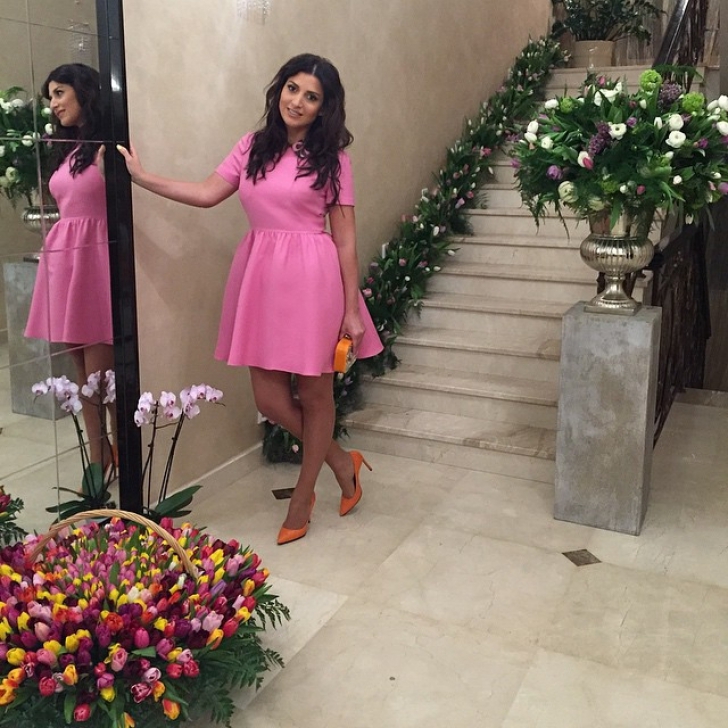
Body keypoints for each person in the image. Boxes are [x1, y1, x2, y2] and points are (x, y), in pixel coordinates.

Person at [118, 53, 383, 544]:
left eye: (311, 96)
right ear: (279, 89)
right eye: (292, 88)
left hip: (314, 279)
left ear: (324, 108)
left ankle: (304, 495)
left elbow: (346, 240)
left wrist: (351, 309)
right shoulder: (252, 146)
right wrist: (143, 178)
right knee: (269, 399)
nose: (297, 101)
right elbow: (206, 193)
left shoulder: (334, 161)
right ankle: (342, 462)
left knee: (315, 394)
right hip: (261, 277)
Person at [25, 63, 116, 478]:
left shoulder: (105, 149)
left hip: (96, 259)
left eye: (60, 93)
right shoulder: (69, 149)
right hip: (65, 259)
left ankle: (111, 455)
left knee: (100, 376)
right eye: (51, 97)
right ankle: (100, 458)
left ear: (84, 92)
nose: (54, 104)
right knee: (82, 372)